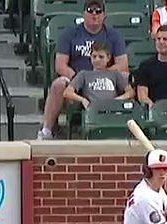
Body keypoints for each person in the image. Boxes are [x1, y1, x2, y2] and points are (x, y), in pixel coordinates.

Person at [37, 0, 128, 140]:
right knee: (58, 84)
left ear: (104, 15)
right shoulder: (70, 33)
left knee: (126, 77)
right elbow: (60, 65)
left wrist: (99, 74)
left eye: (98, 11)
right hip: (76, 79)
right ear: (83, 13)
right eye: (90, 11)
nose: (94, 15)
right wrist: (80, 78)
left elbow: (122, 65)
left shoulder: (113, 35)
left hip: (106, 78)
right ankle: (46, 131)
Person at [62, 40, 132, 110]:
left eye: (101, 57)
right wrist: (83, 100)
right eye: (94, 56)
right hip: (92, 110)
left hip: (112, 109)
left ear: (108, 58)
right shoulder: (84, 74)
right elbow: (67, 92)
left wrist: (117, 100)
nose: (97, 60)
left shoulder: (115, 74)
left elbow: (130, 92)